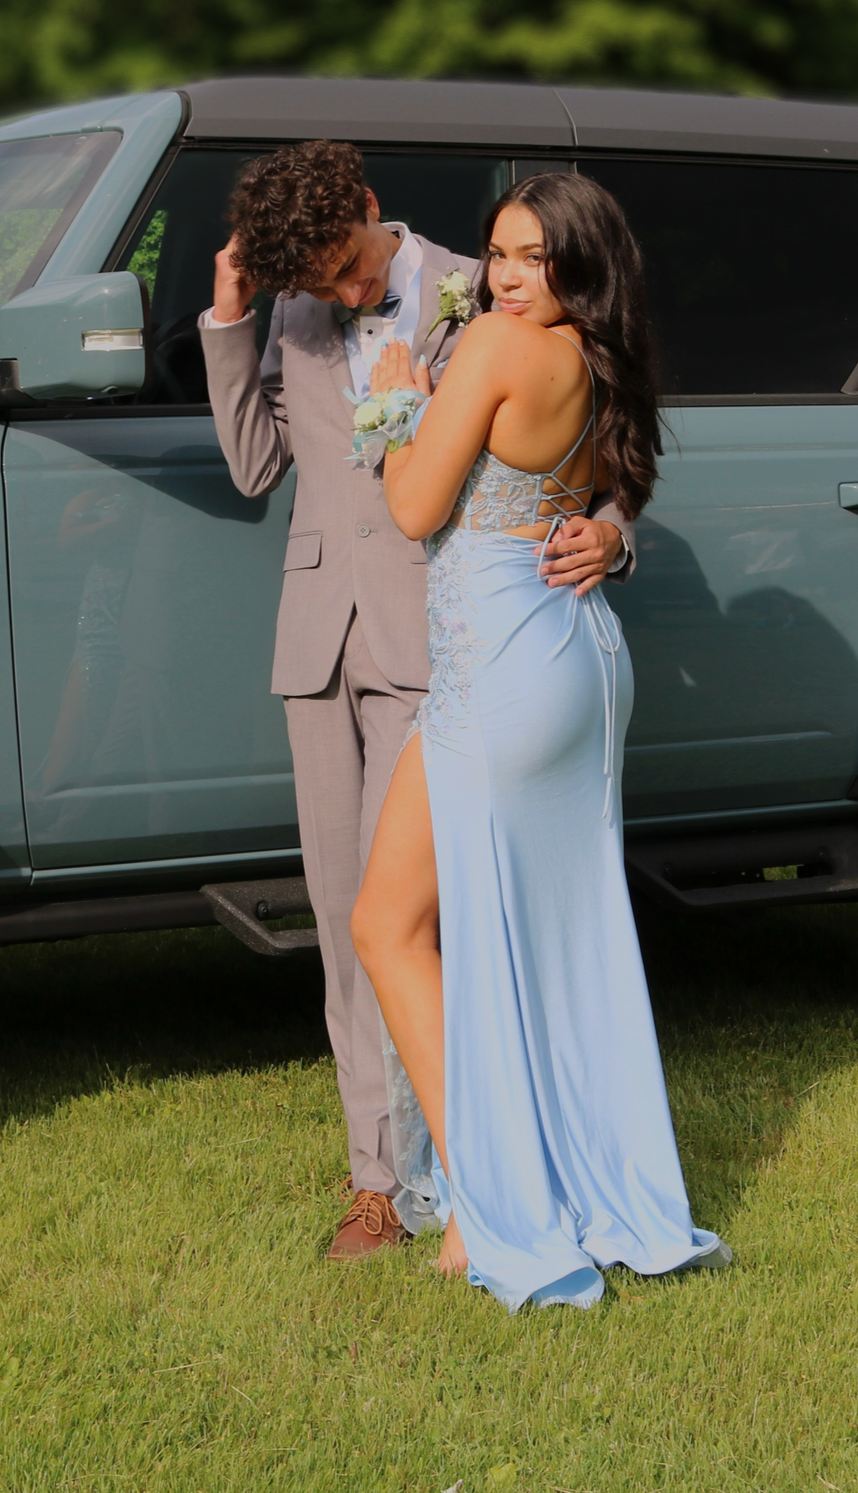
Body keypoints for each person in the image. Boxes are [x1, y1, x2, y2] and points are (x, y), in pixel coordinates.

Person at [199, 142, 636, 1261]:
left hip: (443, 639)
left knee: (422, 922)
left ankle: (462, 1176)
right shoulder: (287, 309)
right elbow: (253, 467)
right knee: (348, 920)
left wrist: (614, 531)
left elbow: (593, 429)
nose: (347, 295)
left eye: (351, 269)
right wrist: (231, 317)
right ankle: (379, 1181)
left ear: (370, 208)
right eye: (322, 285)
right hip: (318, 639)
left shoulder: (484, 288)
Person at [349, 172, 727, 1311]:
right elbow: (607, 491)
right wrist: (609, 534)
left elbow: (413, 509)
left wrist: (389, 405)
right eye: (498, 253)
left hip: (502, 677)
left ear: (582, 263)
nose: (506, 276)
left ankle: (490, 1206)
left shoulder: (497, 350)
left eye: (533, 256)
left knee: (390, 926)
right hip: (576, 662)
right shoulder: (601, 358)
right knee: (554, 945)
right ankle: (534, 1186)